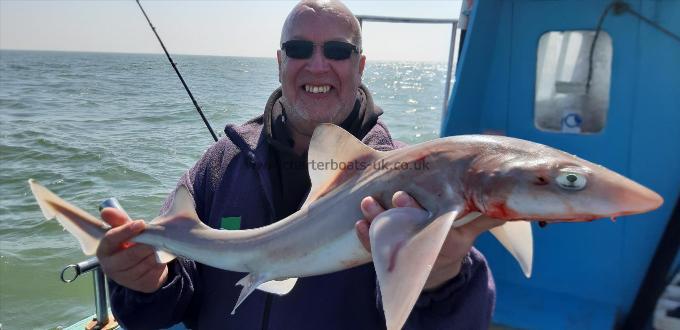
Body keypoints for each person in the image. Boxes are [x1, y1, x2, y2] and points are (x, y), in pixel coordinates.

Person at [97, 1, 500, 328]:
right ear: (279, 61)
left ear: (360, 66)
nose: (318, 65)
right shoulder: (221, 164)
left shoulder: (409, 178)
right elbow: (162, 309)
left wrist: (441, 277)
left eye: (338, 51)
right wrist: (148, 284)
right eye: (299, 49)